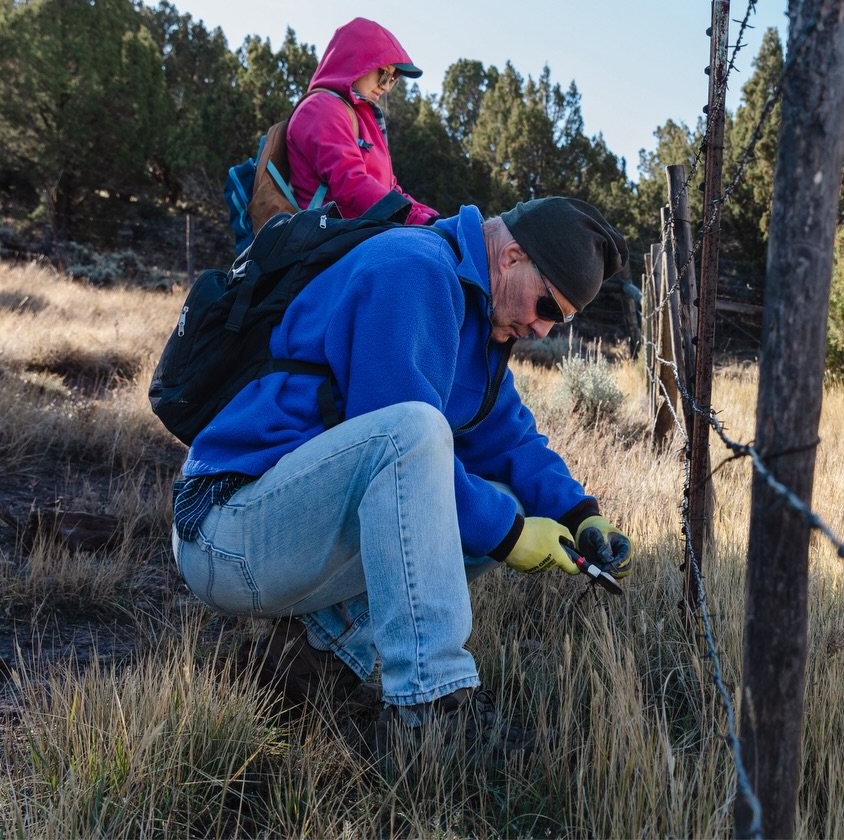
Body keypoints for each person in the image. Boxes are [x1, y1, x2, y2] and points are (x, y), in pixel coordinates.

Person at [169, 195, 631, 764]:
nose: (541, 329)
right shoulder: (413, 270)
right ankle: (431, 708)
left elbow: (508, 438)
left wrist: (580, 515)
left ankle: (311, 658)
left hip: (282, 533)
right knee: (415, 435)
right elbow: (395, 434)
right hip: (225, 533)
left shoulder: (476, 312)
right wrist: (509, 535)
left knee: (499, 498)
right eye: (547, 308)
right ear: (512, 257)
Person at [288, 17, 439, 225]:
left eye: (393, 80)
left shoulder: (360, 115)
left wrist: (434, 219)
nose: (386, 87)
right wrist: (415, 221)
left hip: (358, 236)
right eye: (384, 75)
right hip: (329, 242)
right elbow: (350, 183)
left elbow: (390, 188)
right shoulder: (321, 108)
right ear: (358, 60)